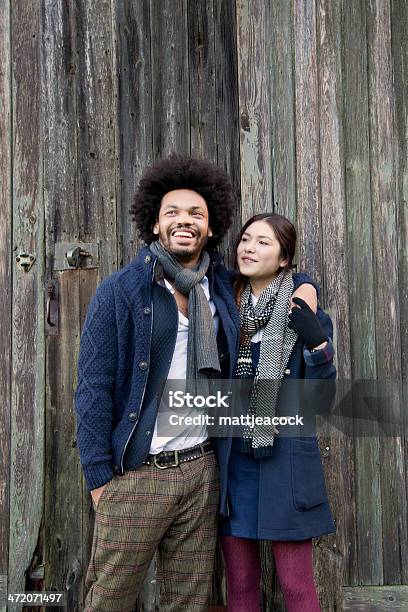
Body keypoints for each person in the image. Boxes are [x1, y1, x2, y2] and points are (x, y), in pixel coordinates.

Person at [74, 155, 318, 612]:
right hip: (136, 477)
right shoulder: (121, 292)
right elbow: (92, 389)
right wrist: (98, 478)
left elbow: (278, 275)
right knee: (109, 600)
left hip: (202, 472)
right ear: (154, 225)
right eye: (173, 213)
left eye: (196, 215)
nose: (184, 221)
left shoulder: (221, 287)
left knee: (188, 601)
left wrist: (306, 285)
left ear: (210, 229)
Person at [217, 213, 336, 612]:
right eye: (246, 239)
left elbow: (320, 401)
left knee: (296, 586)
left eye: (263, 242)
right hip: (234, 464)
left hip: (284, 461)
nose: (249, 248)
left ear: (285, 258)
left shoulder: (304, 313)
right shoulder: (223, 309)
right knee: (241, 585)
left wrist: (319, 347)